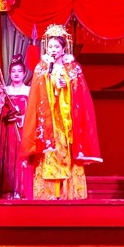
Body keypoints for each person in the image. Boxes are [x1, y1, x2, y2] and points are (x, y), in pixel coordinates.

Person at [21, 23, 101, 200]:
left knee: (67, 151)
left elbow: (81, 96)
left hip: (67, 120)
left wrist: (66, 87)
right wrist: (52, 82)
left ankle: (68, 192)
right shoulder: (42, 68)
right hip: (48, 120)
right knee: (50, 151)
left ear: (64, 48)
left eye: (57, 46)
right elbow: (37, 93)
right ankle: (50, 193)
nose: (53, 50)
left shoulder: (73, 68)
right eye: (50, 46)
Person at [0, 54, 33, 199]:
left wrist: (21, 118)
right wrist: (0, 97)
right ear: (9, 74)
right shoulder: (5, 90)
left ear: (24, 73)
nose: (16, 74)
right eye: (13, 71)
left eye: (19, 71)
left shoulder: (29, 90)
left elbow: (33, 112)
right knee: (8, 157)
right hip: (7, 130)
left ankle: (22, 190)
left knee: (21, 158)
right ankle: (7, 191)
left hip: (22, 129)